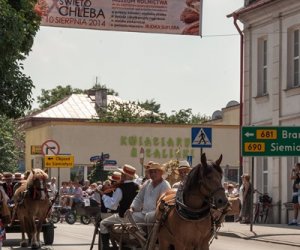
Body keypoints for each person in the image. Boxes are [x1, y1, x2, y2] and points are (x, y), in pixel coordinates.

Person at [99, 164, 139, 249]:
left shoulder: (120, 188)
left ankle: (105, 248)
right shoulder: (138, 186)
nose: (121, 176)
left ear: (125, 176)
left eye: (122, 174)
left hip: (123, 216)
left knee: (102, 223)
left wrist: (104, 196)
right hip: (136, 217)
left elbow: (112, 205)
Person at [129, 162, 171, 233]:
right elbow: (139, 197)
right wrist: (132, 208)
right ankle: (139, 236)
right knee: (130, 216)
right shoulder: (147, 183)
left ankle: (149, 238)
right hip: (144, 213)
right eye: (151, 172)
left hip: (158, 214)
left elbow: (165, 203)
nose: (152, 174)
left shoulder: (165, 185)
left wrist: (157, 212)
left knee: (149, 217)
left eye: (155, 172)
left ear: (161, 173)